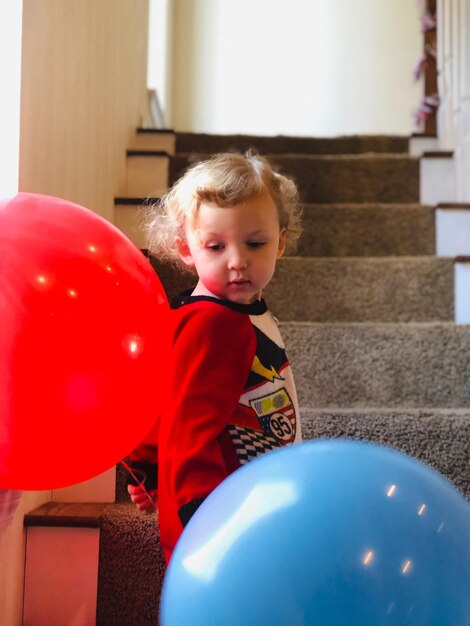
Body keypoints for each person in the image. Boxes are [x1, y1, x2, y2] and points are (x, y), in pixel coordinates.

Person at [128, 152, 303, 562]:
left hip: (242, 510)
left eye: (254, 243)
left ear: (279, 242)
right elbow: (189, 431)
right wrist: (207, 519)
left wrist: (145, 466)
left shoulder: (237, 315)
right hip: (220, 526)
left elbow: (165, 399)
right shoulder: (214, 324)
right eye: (215, 246)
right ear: (186, 249)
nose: (238, 260)